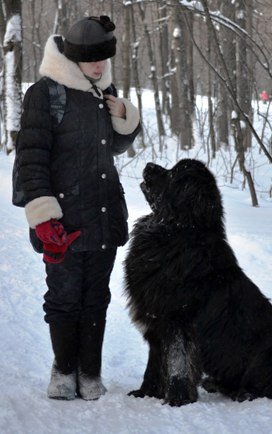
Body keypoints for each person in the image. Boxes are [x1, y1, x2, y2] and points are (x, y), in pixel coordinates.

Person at [15, 16, 140, 400]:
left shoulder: (104, 92)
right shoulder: (44, 94)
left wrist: (123, 117)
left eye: (103, 58)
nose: (99, 66)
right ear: (73, 57)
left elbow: (113, 148)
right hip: (63, 221)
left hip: (103, 214)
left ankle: (90, 372)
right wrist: (43, 216)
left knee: (96, 298)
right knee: (64, 297)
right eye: (91, 59)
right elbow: (31, 158)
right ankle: (63, 369)